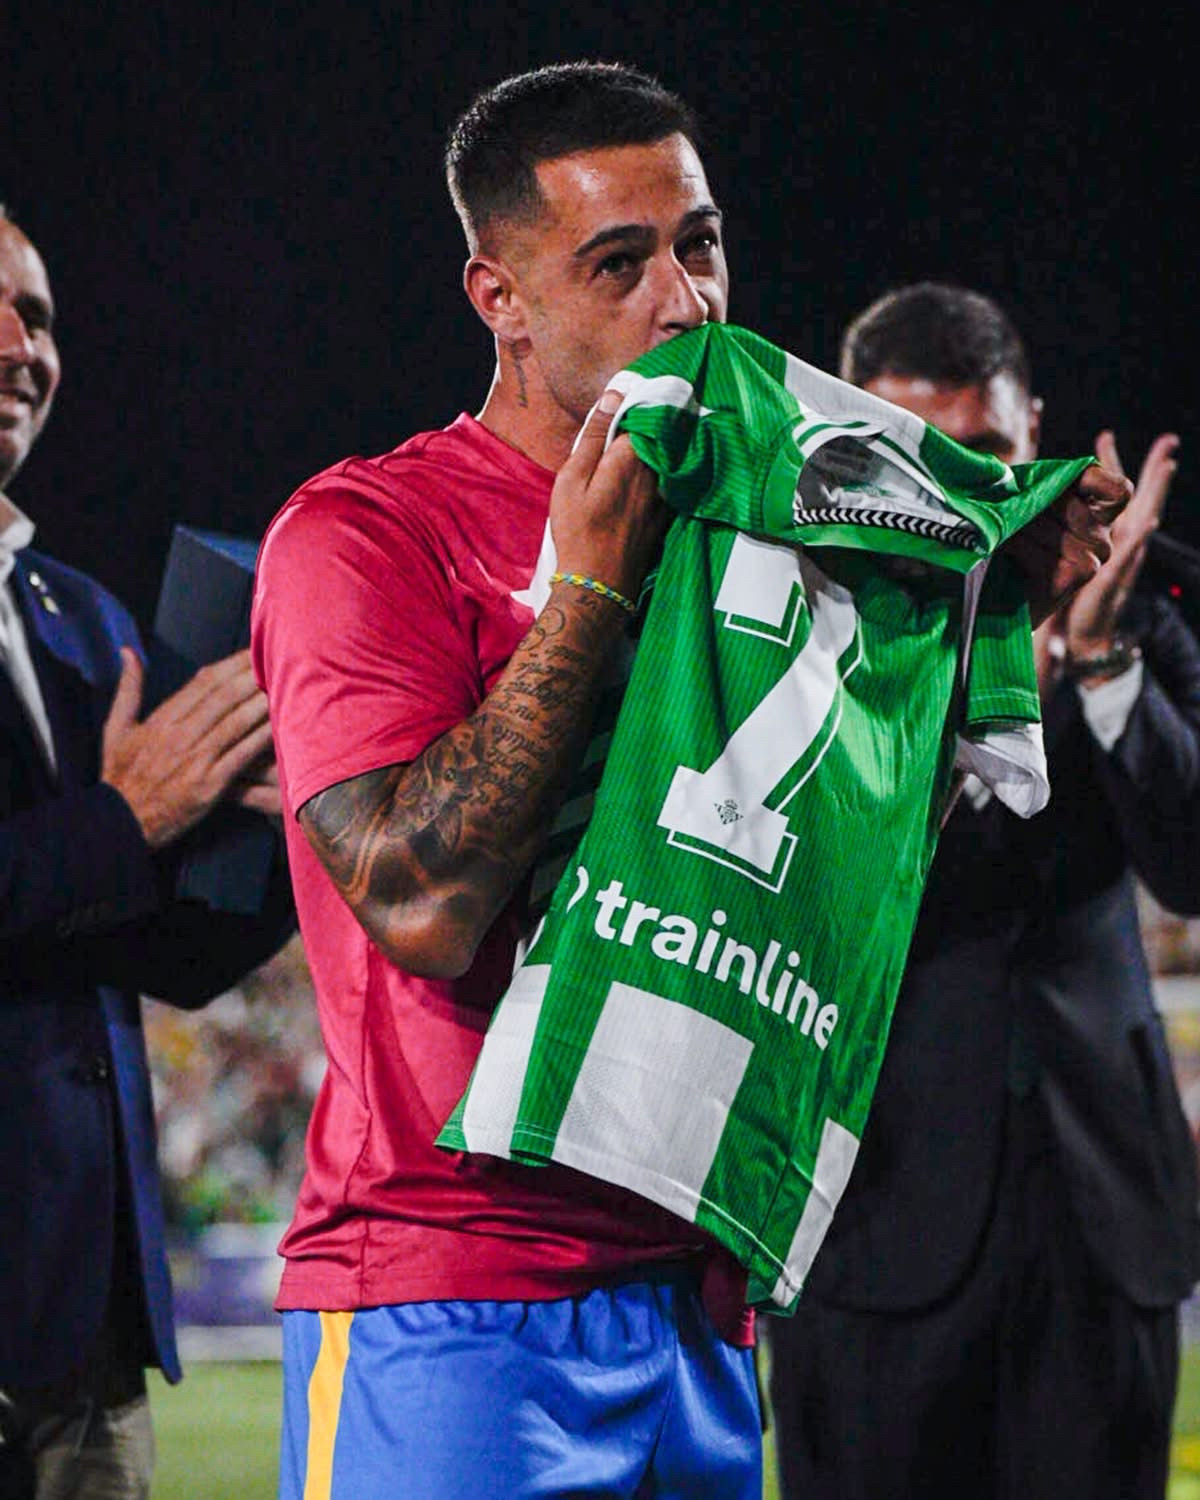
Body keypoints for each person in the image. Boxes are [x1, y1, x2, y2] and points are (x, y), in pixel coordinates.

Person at [250, 70, 1128, 1500]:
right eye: (619, 263)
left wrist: (980, 597)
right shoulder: (366, 533)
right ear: (499, 297)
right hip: (454, 1293)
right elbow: (421, 905)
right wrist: (592, 591)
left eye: (701, 244)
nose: (687, 300)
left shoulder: (770, 522)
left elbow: (854, 879)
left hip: (700, 1295)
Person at [768, 281, 1200, 1500]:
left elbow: (1190, 866)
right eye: (919, 453)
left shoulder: (1136, 599)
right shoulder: (788, 627)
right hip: (869, 1218)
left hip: (1102, 1218)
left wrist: (1100, 663)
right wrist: (998, 691)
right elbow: (831, 882)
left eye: (989, 452)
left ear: (1036, 434)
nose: (961, 491)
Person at [0, 207, 295, 1499]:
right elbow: (114, 839)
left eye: (38, 316)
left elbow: (156, 948)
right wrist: (126, 819)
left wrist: (288, 833)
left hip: (82, 1325)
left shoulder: (78, 614)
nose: (19, 345)